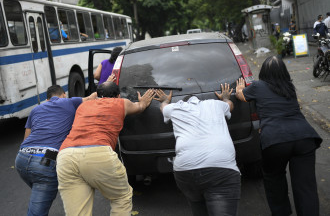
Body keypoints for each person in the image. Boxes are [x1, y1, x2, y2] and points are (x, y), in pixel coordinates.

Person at [235, 56, 322, 216]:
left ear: (263, 72)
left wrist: (239, 89)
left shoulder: (257, 86)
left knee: (274, 179)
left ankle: (281, 212)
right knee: (305, 186)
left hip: (275, 140)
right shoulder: (289, 87)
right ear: (284, 72)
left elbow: (242, 97)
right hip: (304, 137)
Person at [56, 77, 155, 216]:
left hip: (66, 156)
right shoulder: (121, 103)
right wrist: (143, 102)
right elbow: (140, 107)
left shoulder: (83, 106)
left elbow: (95, 97)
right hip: (98, 153)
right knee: (121, 197)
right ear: (118, 95)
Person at [154, 84, 241, 216]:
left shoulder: (175, 108)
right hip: (221, 169)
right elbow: (230, 105)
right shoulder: (215, 104)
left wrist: (166, 100)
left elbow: (163, 108)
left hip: (185, 171)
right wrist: (225, 97)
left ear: (183, 102)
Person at [15, 85, 97, 216]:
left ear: (47, 99)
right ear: (63, 94)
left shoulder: (35, 109)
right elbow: (92, 97)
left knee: (37, 196)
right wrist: (109, 81)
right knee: (38, 208)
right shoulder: (69, 101)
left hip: (22, 159)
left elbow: (26, 138)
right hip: (45, 163)